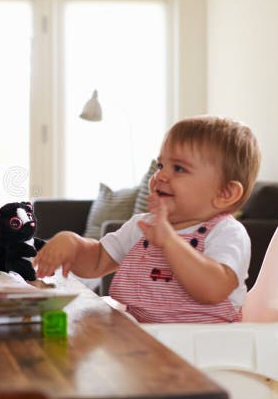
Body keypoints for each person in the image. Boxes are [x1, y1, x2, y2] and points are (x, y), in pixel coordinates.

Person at [33, 115, 261, 323]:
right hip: (145, 340)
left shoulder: (226, 232)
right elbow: (97, 261)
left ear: (225, 193)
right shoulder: (143, 225)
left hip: (203, 346)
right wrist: (73, 244)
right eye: (161, 165)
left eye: (179, 169)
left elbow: (213, 290)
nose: (160, 175)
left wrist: (169, 242)